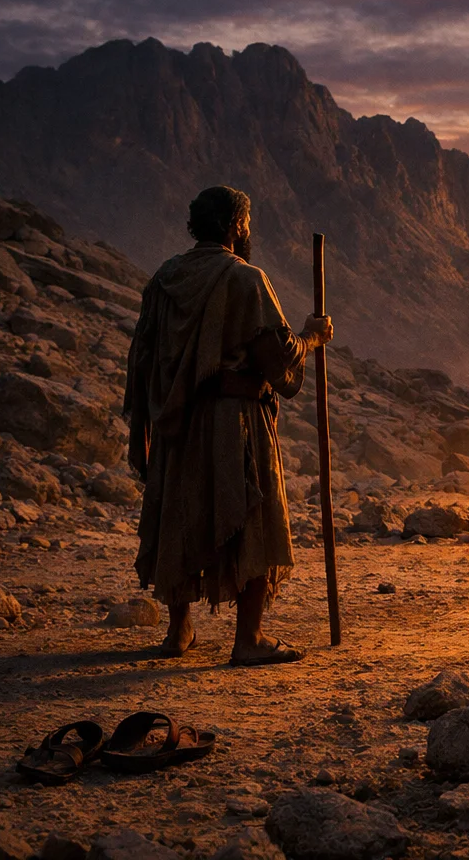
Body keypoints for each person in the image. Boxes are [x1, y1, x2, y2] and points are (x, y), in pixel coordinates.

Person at [123, 186, 333, 665]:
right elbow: (276, 356)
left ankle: (178, 633)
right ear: (236, 226)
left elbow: (145, 355)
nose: (249, 232)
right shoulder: (246, 279)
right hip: (233, 421)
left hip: (178, 425)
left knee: (179, 514)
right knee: (252, 517)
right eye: (248, 223)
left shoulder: (165, 279)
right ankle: (250, 638)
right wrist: (312, 338)